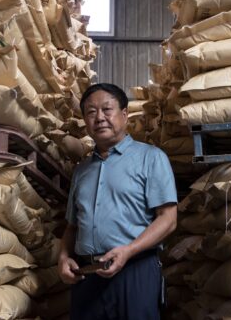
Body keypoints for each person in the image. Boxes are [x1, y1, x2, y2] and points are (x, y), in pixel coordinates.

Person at [58, 83, 178, 320]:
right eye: (91, 112)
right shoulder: (82, 170)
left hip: (135, 270)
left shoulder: (150, 158)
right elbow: (72, 227)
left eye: (107, 109)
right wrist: (62, 258)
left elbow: (168, 219)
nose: (100, 117)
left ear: (124, 114)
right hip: (88, 274)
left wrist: (128, 251)